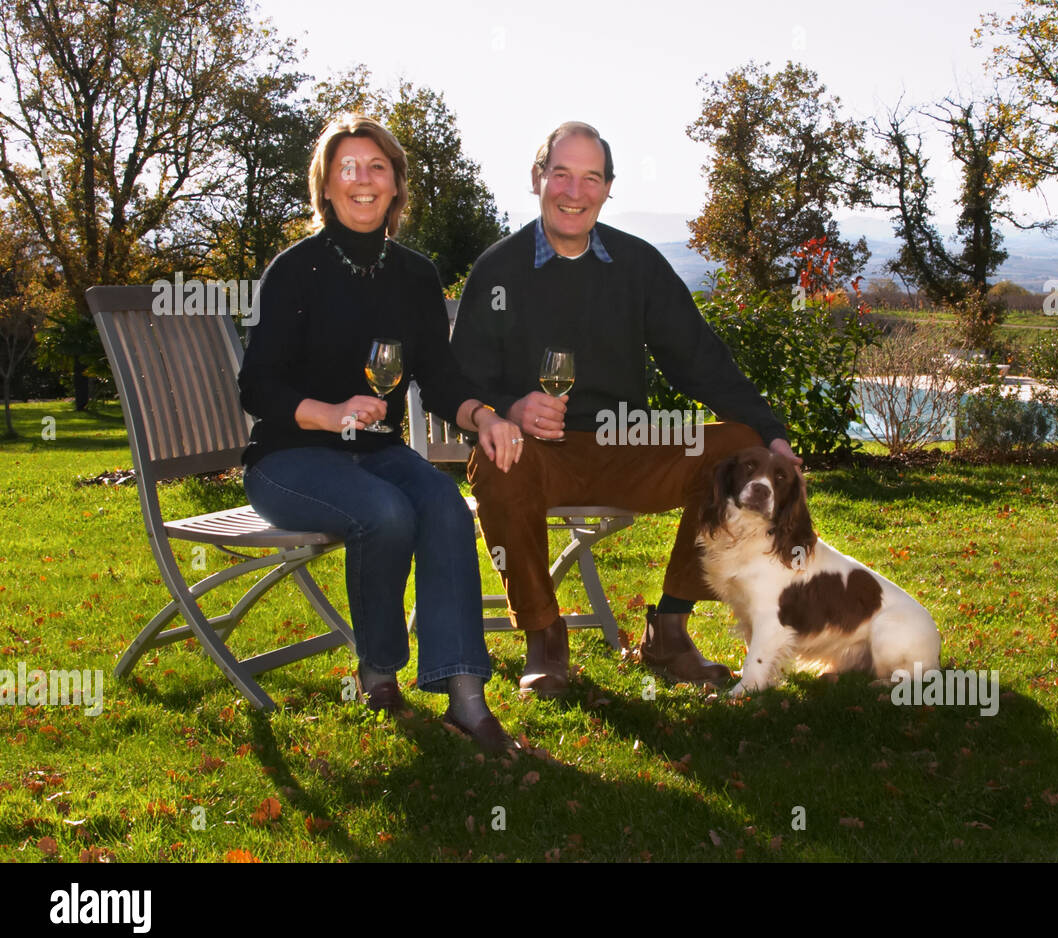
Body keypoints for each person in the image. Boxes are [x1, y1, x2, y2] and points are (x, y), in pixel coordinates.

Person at [451, 121, 801, 698]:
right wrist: (510, 408)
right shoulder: (499, 269)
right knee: (498, 462)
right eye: (561, 173)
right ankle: (544, 639)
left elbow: (699, 359)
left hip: (627, 443)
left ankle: (669, 628)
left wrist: (770, 431)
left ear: (609, 188)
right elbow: (459, 377)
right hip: (536, 453)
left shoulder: (637, 265)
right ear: (537, 179)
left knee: (738, 448)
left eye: (591, 178)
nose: (574, 191)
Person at [238, 114, 523, 753]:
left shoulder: (416, 276)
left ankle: (466, 697)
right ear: (326, 186)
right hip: (289, 457)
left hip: (376, 451)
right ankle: (379, 670)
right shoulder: (295, 271)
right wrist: (330, 412)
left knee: (445, 505)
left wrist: (484, 417)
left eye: (376, 167)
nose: (362, 180)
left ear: (395, 185)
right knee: (387, 513)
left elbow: (442, 377)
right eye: (347, 168)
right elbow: (257, 389)